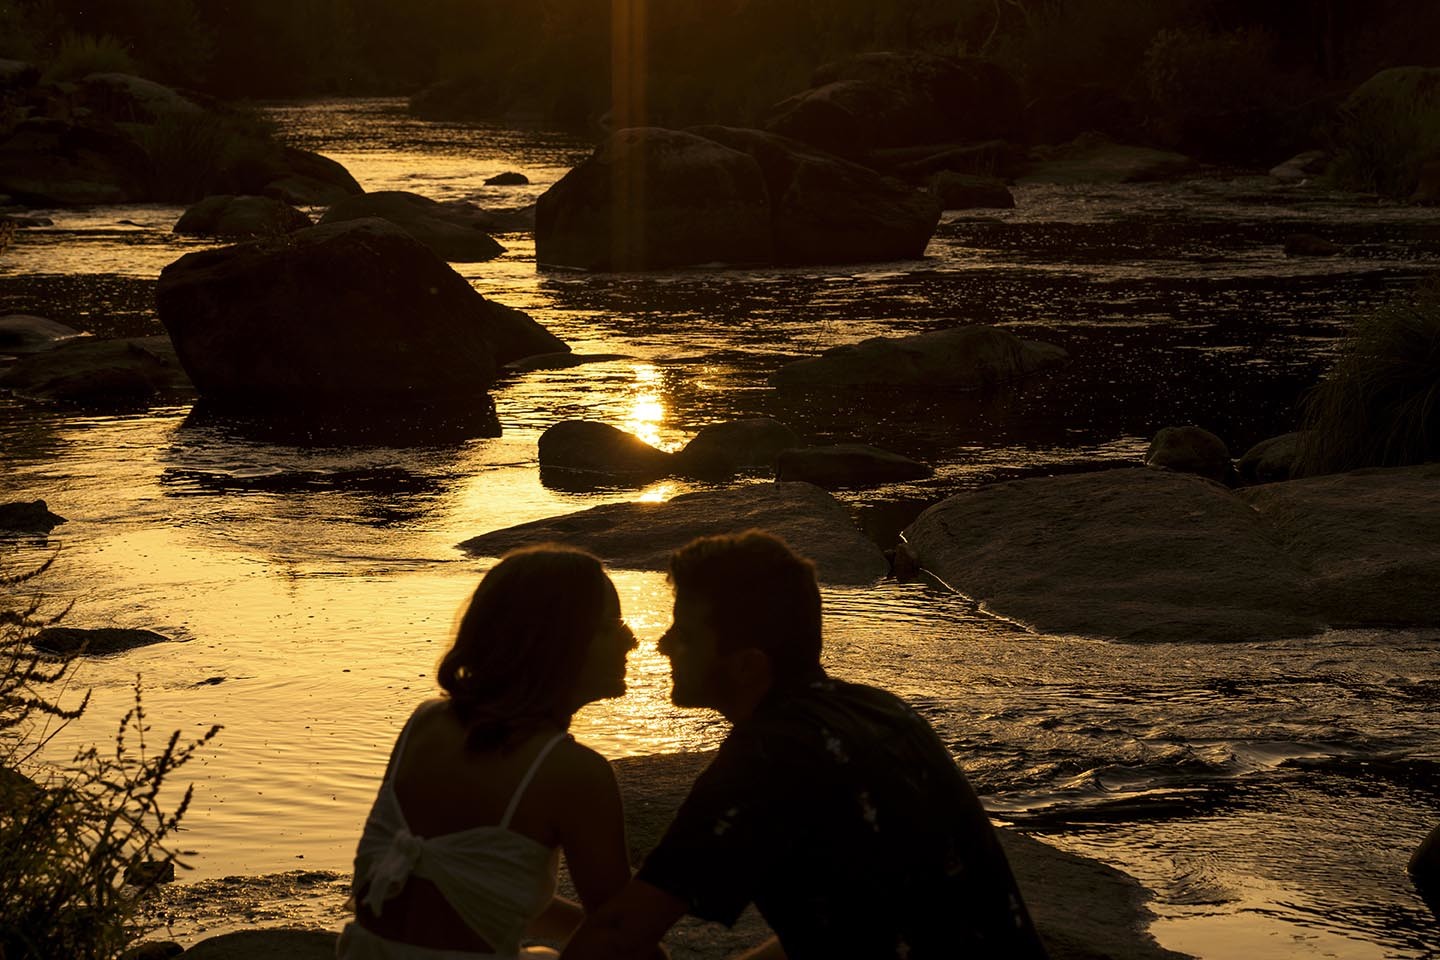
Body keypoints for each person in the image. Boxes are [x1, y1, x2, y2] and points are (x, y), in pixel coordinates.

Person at [560, 530, 1050, 960]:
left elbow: (620, 934)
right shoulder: (881, 709)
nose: (662, 645)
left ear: (747, 666)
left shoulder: (769, 758)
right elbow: (859, 924)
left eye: (684, 635)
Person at [337, 545, 650, 959]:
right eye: (613, 625)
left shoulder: (425, 724)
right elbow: (617, 934)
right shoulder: (573, 772)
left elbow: (474, 888)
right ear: (558, 641)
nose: (632, 642)